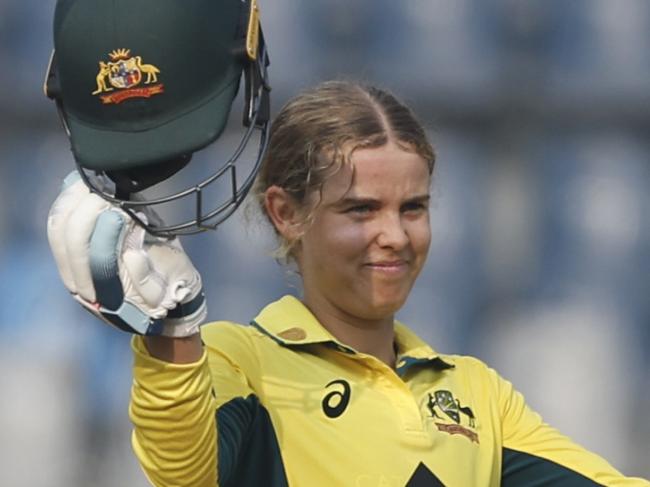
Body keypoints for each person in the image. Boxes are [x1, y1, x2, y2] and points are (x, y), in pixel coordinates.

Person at [45, 2, 649, 486]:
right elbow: (185, 472)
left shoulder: (475, 393)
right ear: (286, 213)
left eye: (413, 208)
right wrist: (172, 334)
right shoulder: (239, 361)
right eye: (360, 210)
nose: (395, 235)